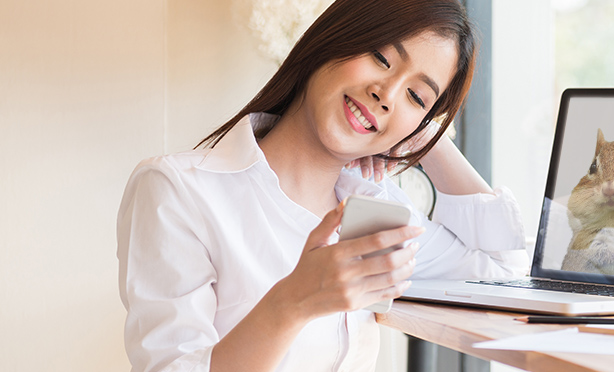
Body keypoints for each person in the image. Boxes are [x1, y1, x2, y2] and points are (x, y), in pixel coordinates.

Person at [116, 1, 528, 371]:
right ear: (333, 38)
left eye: (417, 96)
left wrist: (425, 139)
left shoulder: (376, 211)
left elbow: (500, 273)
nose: (385, 95)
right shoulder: (178, 190)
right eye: (381, 58)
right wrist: (292, 301)